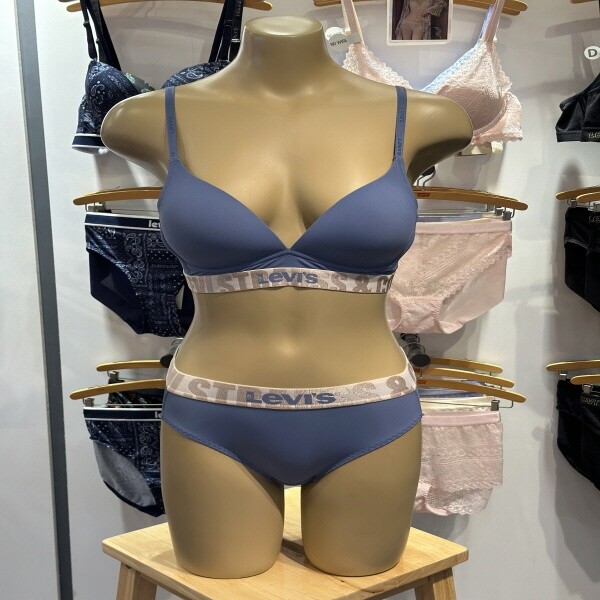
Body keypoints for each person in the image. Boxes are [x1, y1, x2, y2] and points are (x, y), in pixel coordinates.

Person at [102, 16, 471, 578]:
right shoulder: (150, 118)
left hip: (370, 415)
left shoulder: (421, 117)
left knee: (361, 582)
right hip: (212, 417)